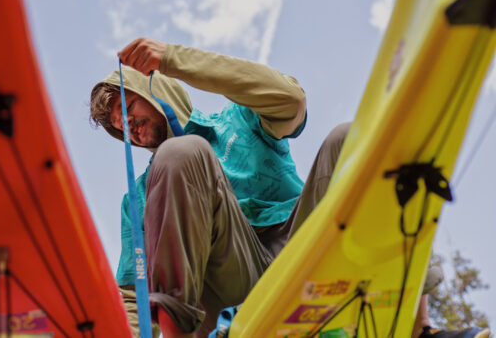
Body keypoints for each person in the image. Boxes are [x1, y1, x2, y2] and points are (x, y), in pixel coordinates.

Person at [89, 38, 489, 338]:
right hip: (229, 279)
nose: (129, 126)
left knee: (351, 139)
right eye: (118, 127)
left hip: (302, 249)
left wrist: (175, 60)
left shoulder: (239, 120)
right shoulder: (141, 194)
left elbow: (290, 100)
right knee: (179, 154)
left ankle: (419, 328)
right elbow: (130, 293)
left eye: (129, 108)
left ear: (155, 88)